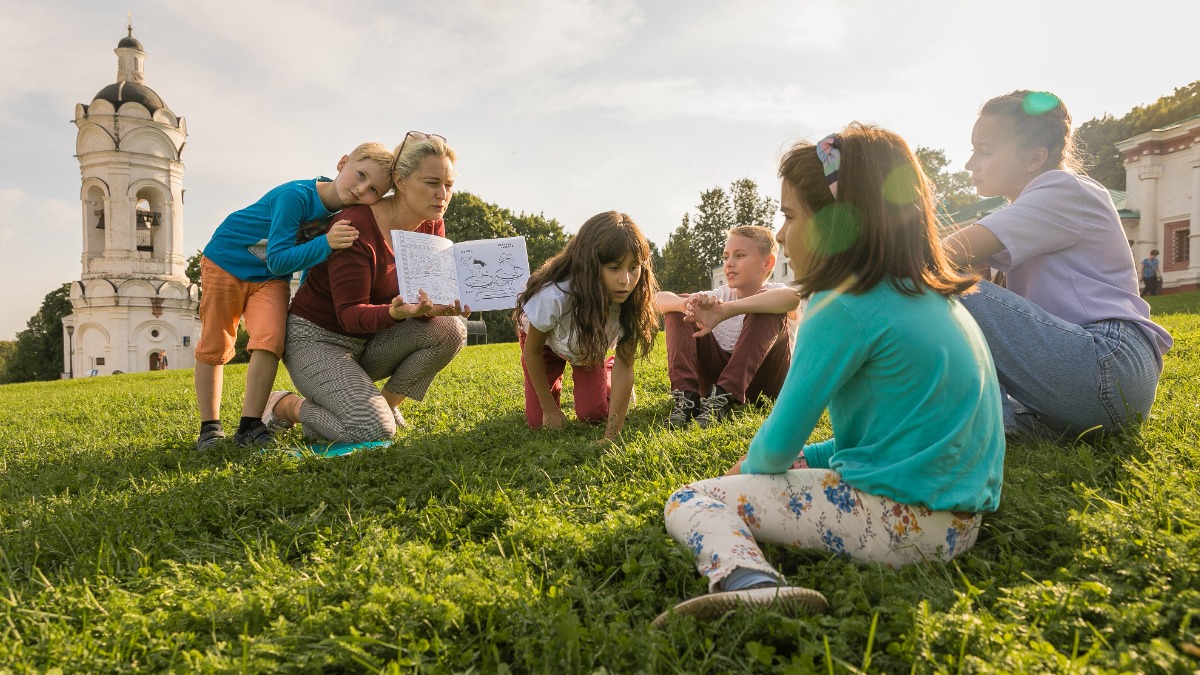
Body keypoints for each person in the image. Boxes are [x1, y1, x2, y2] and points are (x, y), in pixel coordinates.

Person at [654, 124, 1004, 627]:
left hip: (902, 525)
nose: (779, 233)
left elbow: (773, 449)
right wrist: (806, 458)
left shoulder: (839, 303)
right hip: (963, 522)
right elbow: (881, 438)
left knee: (691, 498)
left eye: (790, 215)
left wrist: (749, 469)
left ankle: (747, 580)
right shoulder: (930, 298)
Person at [942, 91, 1172, 438]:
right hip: (1099, 383)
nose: (969, 163)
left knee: (940, 284)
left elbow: (941, 255)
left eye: (984, 150)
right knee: (943, 426)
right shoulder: (1032, 209)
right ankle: (990, 424)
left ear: (1034, 158)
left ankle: (991, 423)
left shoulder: (1063, 188)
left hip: (1106, 362)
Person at [262, 133, 469, 443]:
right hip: (317, 339)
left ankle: (383, 407)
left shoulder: (431, 222)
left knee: (451, 329)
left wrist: (433, 308)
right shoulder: (354, 226)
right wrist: (395, 313)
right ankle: (285, 405)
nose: (443, 194)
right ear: (400, 180)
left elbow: (421, 305)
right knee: (372, 430)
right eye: (431, 183)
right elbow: (348, 315)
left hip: (371, 339)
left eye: (448, 185)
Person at [193, 142, 394, 450]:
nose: (362, 189)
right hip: (227, 262)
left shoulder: (343, 215)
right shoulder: (296, 196)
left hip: (270, 278)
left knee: (270, 340)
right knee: (216, 343)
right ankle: (210, 427)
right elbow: (278, 257)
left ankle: (250, 425)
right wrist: (326, 243)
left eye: (374, 190)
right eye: (360, 175)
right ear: (342, 163)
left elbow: (294, 266)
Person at [514, 211, 659, 443]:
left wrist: (611, 436)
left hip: (588, 347)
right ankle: (551, 394)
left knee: (593, 415)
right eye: (614, 268)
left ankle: (606, 370)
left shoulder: (632, 302)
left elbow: (626, 366)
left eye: (634, 267)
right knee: (537, 422)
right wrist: (550, 409)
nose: (626, 280)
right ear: (590, 265)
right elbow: (531, 353)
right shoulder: (554, 296)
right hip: (545, 347)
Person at [655, 225, 800, 428]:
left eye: (739, 255)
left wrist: (726, 311)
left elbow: (792, 299)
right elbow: (657, 300)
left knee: (765, 307)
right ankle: (686, 398)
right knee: (684, 305)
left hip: (764, 386)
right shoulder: (718, 295)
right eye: (725, 257)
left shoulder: (776, 291)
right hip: (713, 385)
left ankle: (724, 397)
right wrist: (683, 304)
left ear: (768, 262)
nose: (729, 264)